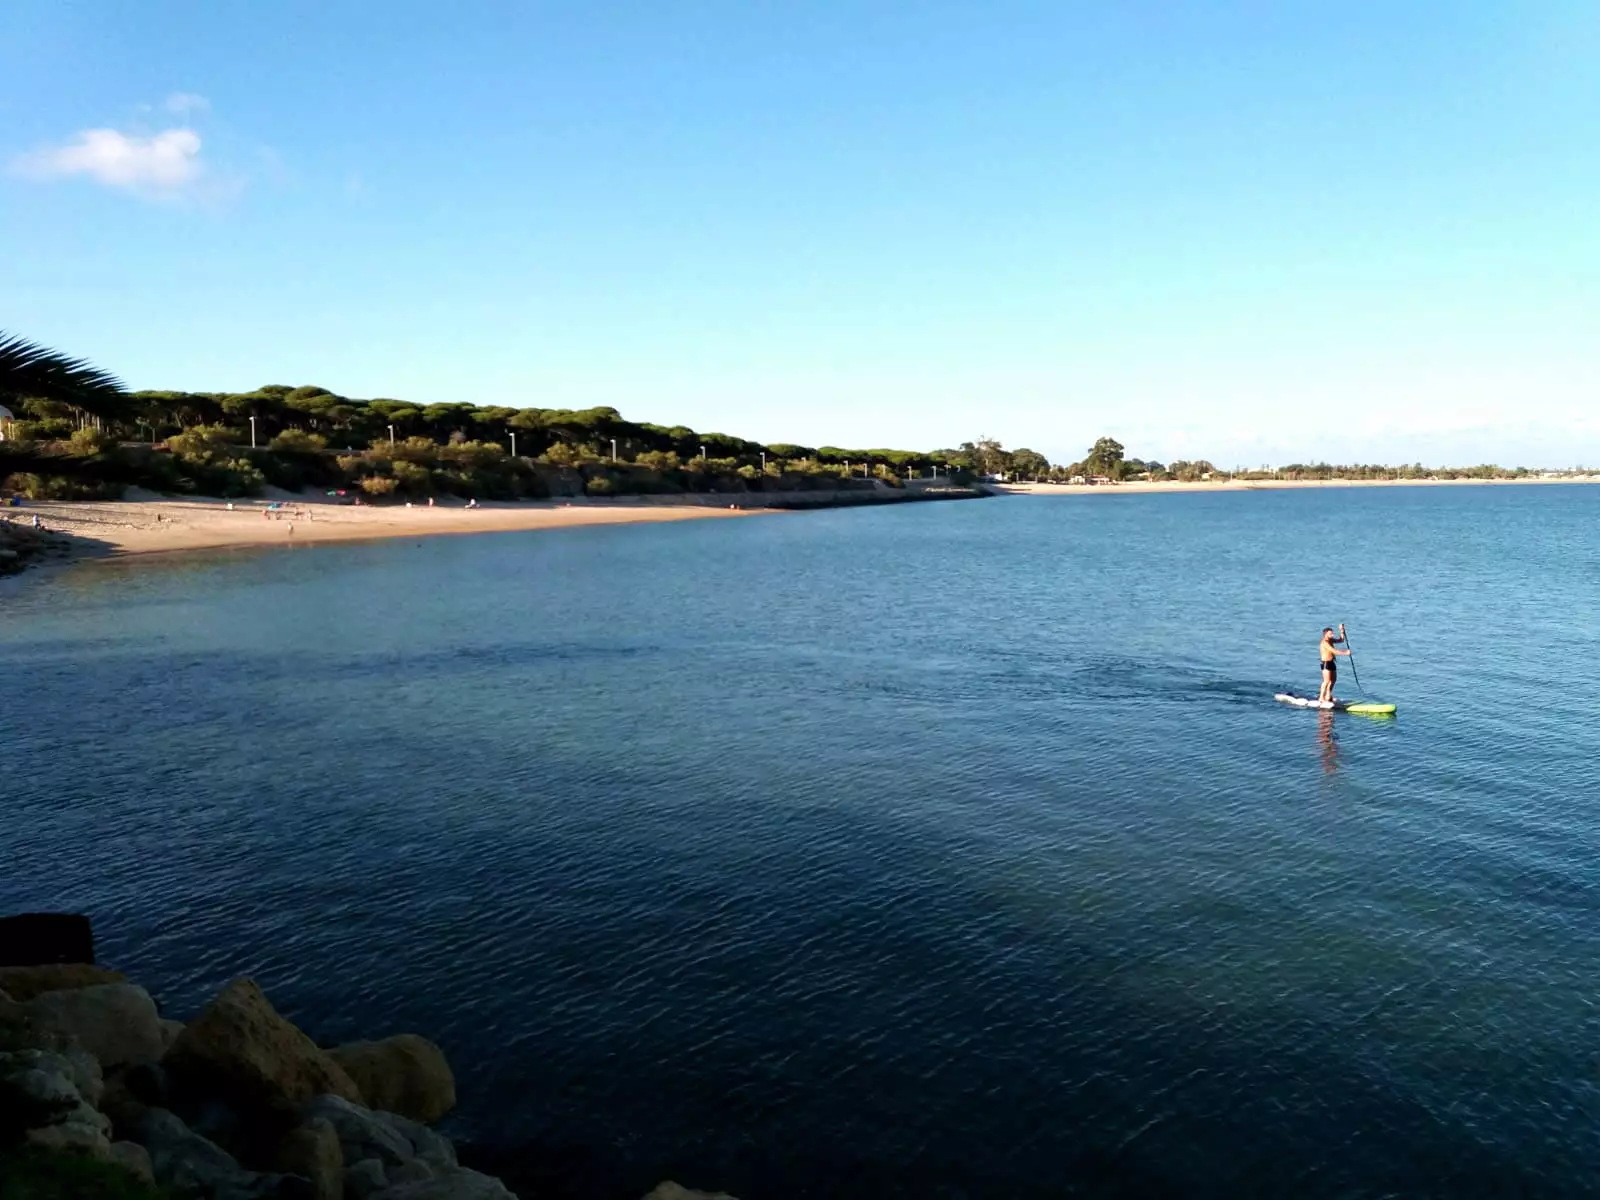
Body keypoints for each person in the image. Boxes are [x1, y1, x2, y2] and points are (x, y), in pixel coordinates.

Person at [1318, 624, 1351, 704]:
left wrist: (1341, 631)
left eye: (1332, 633)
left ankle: (1328, 695)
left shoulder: (1330, 640)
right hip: (1326, 663)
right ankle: (1321, 697)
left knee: (1333, 680)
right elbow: (1334, 651)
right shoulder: (1324, 643)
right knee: (1326, 681)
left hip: (1332, 662)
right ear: (1325, 634)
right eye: (1330, 634)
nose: (1332, 635)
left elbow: (1341, 640)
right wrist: (1345, 653)